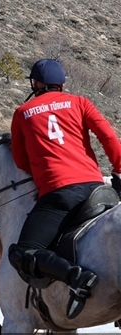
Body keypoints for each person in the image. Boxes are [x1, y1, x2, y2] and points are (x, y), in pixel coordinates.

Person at [8, 58, 121, 319]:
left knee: (23, 251)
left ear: (35, 83)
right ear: (62, 83)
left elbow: (20, 160)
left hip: (59, 194)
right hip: (96, 189)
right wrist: (118, 167)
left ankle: (75, 277)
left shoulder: (23, 112)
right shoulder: (81, 102)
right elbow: (108, 137)